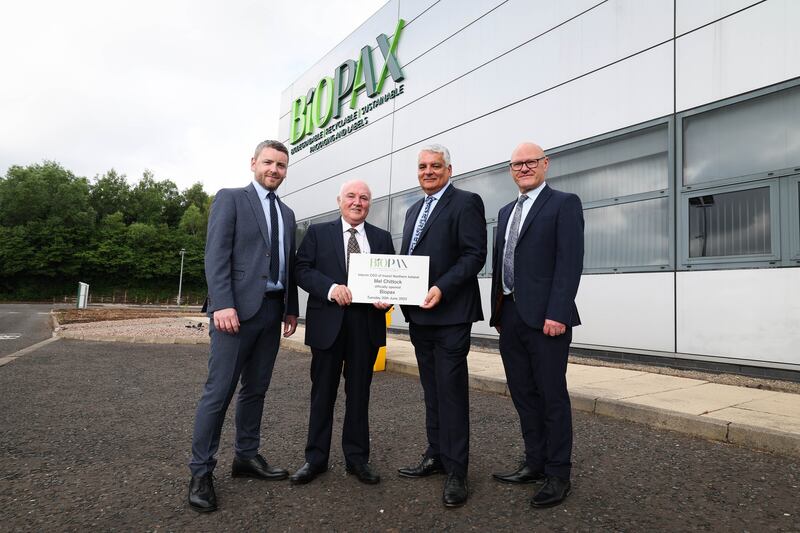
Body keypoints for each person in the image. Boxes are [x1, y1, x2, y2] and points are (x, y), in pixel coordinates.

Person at [187, 140, 299, 513]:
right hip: (234, 313)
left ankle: (246, 457)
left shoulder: (287, 213)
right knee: (218, 393)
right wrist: (222, 303)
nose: (274, 170)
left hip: (271, 311)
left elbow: (288, 264)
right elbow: (215, 253)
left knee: (256, 390)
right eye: (268, 162)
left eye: (281, 165)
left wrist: (291, 309)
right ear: (254, 163)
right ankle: (201, 472)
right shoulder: (231, 199)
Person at [489, 142, 584, 508]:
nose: (524, 168)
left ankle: (558, 473)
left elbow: (570, 261)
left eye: (530, 162)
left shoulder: (564, 203)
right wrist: (499, 313)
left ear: (545, 164)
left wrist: (558, 313)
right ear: (511, 170)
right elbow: (503, 264)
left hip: (548, 319)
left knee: (552, 396)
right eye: (517, 163)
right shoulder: (504, 211)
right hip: (510, 316)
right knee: (523, 394)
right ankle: (534, 461)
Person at [397, 144, 486, 507]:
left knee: (450, 391)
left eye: (435, 166)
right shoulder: (413, 209)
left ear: (449, 169)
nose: (428, 171)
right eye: (422, 166)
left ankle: (457, 471)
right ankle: (436, 454)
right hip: (419, 316)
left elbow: (474, 255)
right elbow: (408, 261)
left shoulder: (466, 202)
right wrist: (392, 290)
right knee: (431, 390)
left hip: (450, 314)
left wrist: (441, 288)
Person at [290, 180, 395, 485]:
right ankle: (315, 459)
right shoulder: (317, 233)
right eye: (351, 196)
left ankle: (357, 459)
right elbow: (302, 270)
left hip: (366, 325)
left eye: (364, 197)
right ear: (339, 200)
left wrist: (387, 299)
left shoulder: (382, 237)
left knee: (359, 395)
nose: (357, 202)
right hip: (328, 326)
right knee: (322, 393)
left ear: (369, 204)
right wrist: (331, 288)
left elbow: (391, 278)